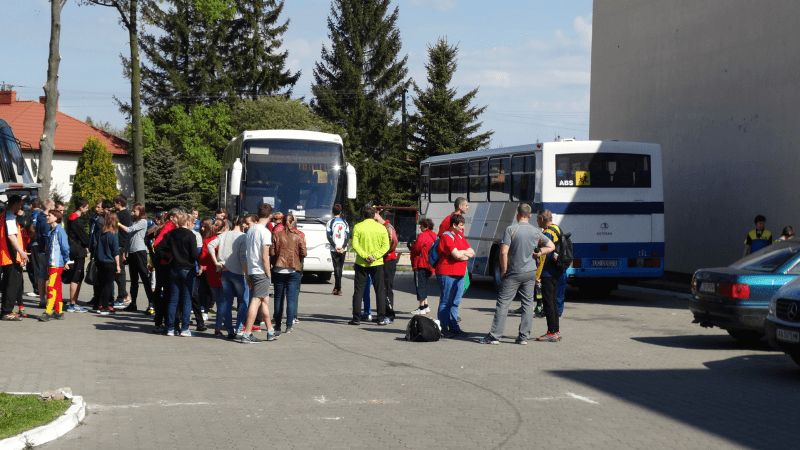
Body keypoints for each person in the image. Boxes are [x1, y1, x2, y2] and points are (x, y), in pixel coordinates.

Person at [480, 203, 554, 345]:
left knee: (503, 303)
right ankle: (523, 337)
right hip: (530, 272)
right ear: (530, 215)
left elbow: (503, 252)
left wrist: (503, 270)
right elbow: (551, 246)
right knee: (527, 304)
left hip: (513, 272)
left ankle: (495, 336)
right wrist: (539, 252)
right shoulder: (535, 231)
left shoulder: (511, 230)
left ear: (517, 215)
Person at [239, 204, 278, 343]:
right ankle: (247, 333)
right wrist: (269, 273)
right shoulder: (265, 232)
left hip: (252, 269)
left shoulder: (251, 230)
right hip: (260, 270)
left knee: (264, 300)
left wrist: (247, 273)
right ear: (270, 215)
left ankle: (270, 331)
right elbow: (265, 256)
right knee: (256, 301)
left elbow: (247, 253)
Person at [157, 211, 199, 336]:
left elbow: (158, 247)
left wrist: (167, 256)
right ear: (187, 222)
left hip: (174, 268)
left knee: (173, 299)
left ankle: (170, 328)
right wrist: (199, 261)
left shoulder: (171, 234)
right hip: (187, 269)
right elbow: (194, 254)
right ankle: (185, 328)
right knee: (186, 299)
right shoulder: (191, 235)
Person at [209, 215, 250, 339]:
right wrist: (247, 273)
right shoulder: (243, 237)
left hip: (224, 271)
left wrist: (216, 262)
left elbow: (210, 245)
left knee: (227, 302)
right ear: (242, 224)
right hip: (239, 272)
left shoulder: (224, 235)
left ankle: (229, 329)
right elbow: (243, 257)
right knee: (243, 301)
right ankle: (239, 327)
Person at [349, 204, 390, 326]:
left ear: (363, 215)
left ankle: (356, 318)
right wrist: (374, 256)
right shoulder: (381, 228)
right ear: (374, 215)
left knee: (358, 291)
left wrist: (365, 256)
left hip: (361, 263)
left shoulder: (358, 227)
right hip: (377, 263)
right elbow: (386, 246)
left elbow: (355, 245)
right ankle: (381, 318)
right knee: (380, 290)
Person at [435, 214, 474, 336]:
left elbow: (472, 252)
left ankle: (454, 327)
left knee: (455, 302)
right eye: (461, 225)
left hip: (459, 273)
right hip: (447, 273)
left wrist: (461, 253)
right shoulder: (446, 236)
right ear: (454, 225)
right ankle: (443, 328)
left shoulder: (459, 236)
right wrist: (463, 254)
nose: (463, 228)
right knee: (446, 301)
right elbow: (456, 255)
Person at [271, 213, 307, 335]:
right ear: (292, 222)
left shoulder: (276, 234)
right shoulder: (298, 235)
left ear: (282, 222)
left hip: (279, 269)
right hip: (293, 269)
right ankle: (289, 326)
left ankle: (277, 325)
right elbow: (304, 253)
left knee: (278, 298)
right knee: (291, 298)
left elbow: (272, 252)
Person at [117, 203, 155, 314]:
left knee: (144, 278)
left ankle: (151, 304)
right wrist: (125, 251)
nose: (132, 213)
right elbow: (129, 238)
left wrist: (118, 223)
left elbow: (129, 230)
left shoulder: (143, 222)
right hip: (132, 253)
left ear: (141, 211)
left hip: (140, 252)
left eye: (135, 211)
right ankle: (133, 304)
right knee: (133, 280)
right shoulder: (133, 222)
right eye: (132, 211)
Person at [536, 210, 566, 342]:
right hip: (557, 271)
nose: (537, 221)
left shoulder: (548, 233)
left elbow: (543, 256)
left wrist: (537, 275)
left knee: (548, 303)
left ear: (542, 219)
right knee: (553, 302)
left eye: (538, 219)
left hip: (548, 272)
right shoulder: (557, 228)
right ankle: (556, 331)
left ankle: (551, 332)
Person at [0, 195, 30, 321]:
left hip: (6, 255)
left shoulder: (4, 215)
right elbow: (11, 236)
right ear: (15, 204)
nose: (21, 207)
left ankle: (6, 310)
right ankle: (6, 312)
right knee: (13, 284)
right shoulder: (10, 217)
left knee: (8, 283)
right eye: (20, 204)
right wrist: (21, 252)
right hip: (11, 256)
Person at [39, 209, 71, 322]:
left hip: (56, 265)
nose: (47, 217)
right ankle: (58, 312)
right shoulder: (52, 231)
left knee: (51, 287)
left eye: (50, 215)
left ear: (56, 218)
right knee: (56, 287)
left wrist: (66, 260)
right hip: (52, 264)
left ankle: (48, 311)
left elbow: (65, 247)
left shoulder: (59, 231)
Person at [64, 198, 90, 313]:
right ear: (81, 207)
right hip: (78, 251)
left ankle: (74, 302)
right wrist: (88, 244)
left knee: (77, 276)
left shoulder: (70, 217)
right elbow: (83, 237)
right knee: (76, 277)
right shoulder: (77, 220)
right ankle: (72, 304)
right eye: (86, 207)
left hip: (73, 249)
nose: (87, 209)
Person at [95, 212, 121, 316]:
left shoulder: (101, 233)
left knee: (101, 284)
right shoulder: (113, 234)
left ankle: (100, 304)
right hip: (110, 262)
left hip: (100, 261)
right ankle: (105, 306)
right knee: (108, 285)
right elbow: (116, 251)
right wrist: (118, 265)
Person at [410, 218, 436, 315]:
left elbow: (416, 249)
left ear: (425, 226)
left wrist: (413, 245)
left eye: (421, 225)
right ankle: (426, 305)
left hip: (421, 263)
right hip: (429, 264)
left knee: (420, 286)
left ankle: (421, 307)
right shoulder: (433, 235)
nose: (420, 227)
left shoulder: (422, 235)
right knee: (424, 285)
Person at [376, 210, 399, 321]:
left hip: (388, 260)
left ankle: (389, 314)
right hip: (384, 260)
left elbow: (394, 242)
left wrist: (384, 252)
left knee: (387, 288)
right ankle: (383, 312)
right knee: (382, 288)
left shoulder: (388, 227)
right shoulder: (383, 226)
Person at [113, 195, 133, 310]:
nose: (113, 205)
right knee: (117, 271)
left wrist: (125, 249)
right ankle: (124, 294)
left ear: (119, 203)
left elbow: (126, 233)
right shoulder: (124, 213)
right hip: (120, 245)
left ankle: (122, 297)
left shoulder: (122, 214)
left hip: (120, 245)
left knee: (119, 271)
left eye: (115, 203)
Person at [325, 203, 350, 296]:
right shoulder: (345, 222)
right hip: (343, 248)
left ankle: (338, 288)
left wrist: (335, 246)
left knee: (336, 268)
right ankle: (337, 288)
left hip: (334, 248)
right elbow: (347, 236)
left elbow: (328, 236)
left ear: (332, 212)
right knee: (340, 267)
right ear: (341, 212)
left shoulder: (330, 222)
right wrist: (343, 246)